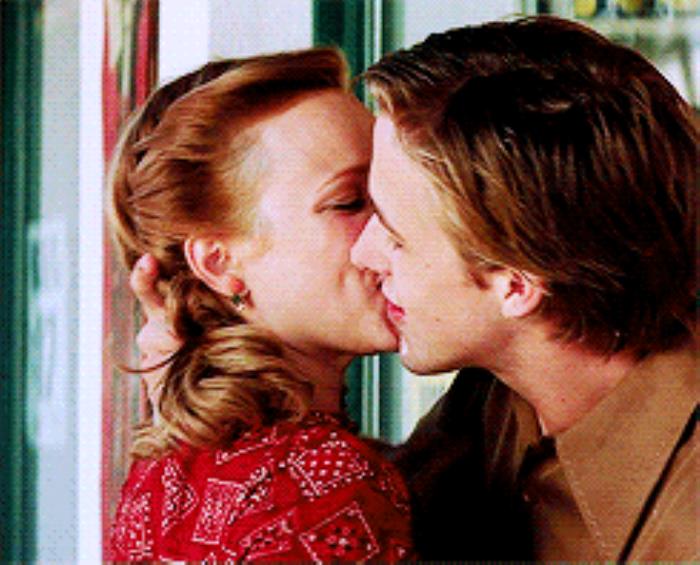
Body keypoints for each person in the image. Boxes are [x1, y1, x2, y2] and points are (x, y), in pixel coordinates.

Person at [129, 16, 698, 561]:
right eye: (352, 203)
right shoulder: (488, 405)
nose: (367, 251)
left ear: (515, 281)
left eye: (395, 233)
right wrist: (213, 415)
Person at [106, 48, 414, 562]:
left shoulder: (158, 477)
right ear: (219, 262)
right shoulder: (323, 482)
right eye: (349, 202)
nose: (395, 229)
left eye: (395, 192)